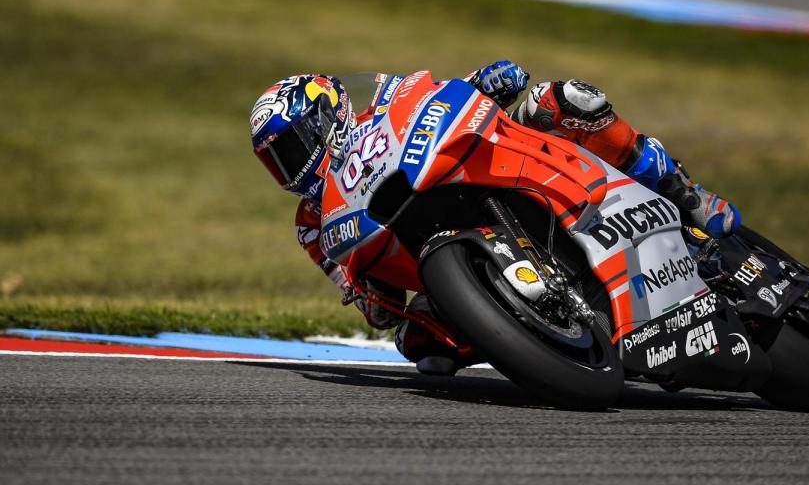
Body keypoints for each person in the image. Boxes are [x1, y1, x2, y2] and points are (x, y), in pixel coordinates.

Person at [248, 62, 740, 374]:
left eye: (291, 149)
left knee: (565, 99)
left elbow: (436, 100)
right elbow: (375, 306)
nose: (289, 168)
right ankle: (542, 342)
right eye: (276, 163)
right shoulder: (312, 224)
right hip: (428, 251)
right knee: (423, 349)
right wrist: (369, 297)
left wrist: (484, 83)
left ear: (324, 119)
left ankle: (682, 193)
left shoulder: (382, 100)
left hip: (484, 165)